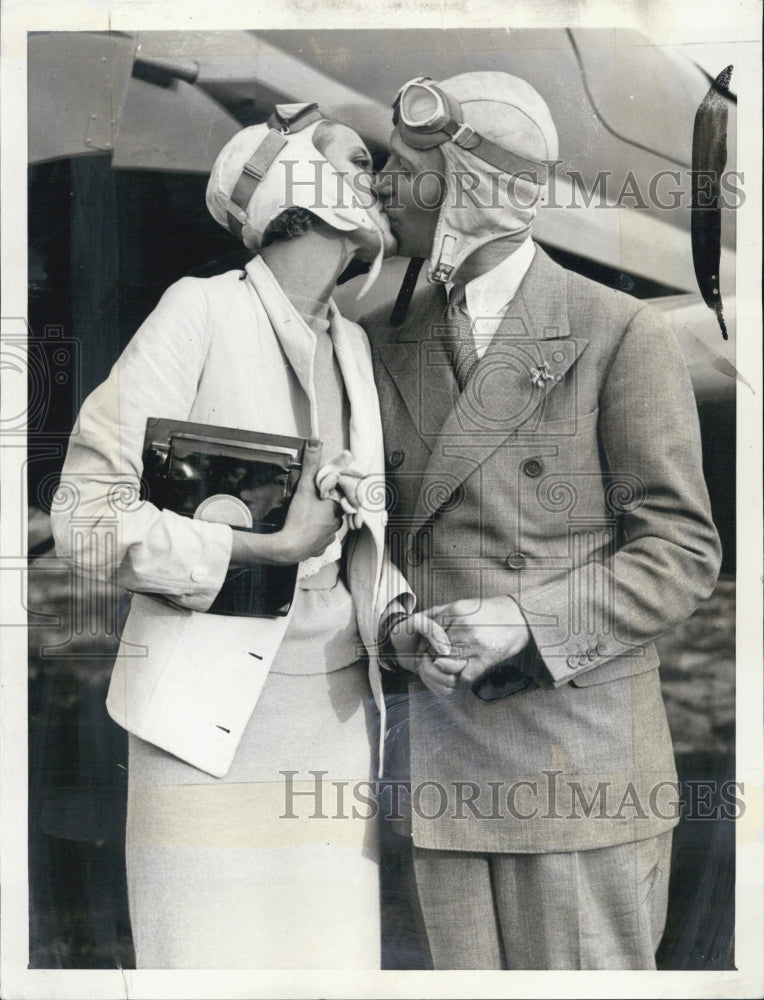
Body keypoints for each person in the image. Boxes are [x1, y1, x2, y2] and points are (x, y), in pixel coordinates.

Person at [363, 72, 722, 969]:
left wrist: (525, 619)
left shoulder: (619, 332)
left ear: (467, 188)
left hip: (576, 773)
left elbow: (681, 553)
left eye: (402, 168)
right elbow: (370, 541)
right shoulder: (378, 338)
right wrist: (400, 626)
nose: (377, 186)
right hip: (436, 767)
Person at [51, 103, 417, 969]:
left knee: (329, 970)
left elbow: (352, 539)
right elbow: (83, 517)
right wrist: (260, 550)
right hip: (202, 729)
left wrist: (397, 615)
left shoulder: (356, 347)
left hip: (331, 723)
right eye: (357, 159)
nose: (379, 180)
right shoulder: (199, 312)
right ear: (291, 178)